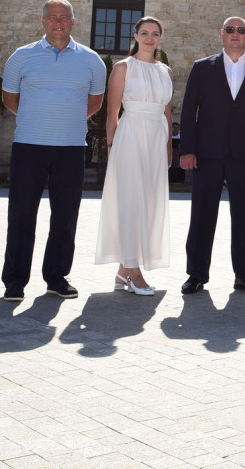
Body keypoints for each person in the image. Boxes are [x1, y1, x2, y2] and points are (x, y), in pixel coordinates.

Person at [1, 0, 107, 301]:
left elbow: (95, 102)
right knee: (21, 216)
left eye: (64, 17)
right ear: (43, 21)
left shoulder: (91, 61)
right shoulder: (21, 57)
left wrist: (65, 119)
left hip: (71, 148)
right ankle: (15, 280)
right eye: (52, 16)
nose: (57, 21)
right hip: (28, 147)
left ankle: (56, 277)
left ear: (73, 22)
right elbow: (10, 98)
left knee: (65, 216)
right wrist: (37, 118)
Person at [178, 16, 245, 295]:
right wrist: (187, 149)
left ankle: (244, 275)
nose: (236, 34)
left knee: (243, 216)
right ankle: (196, 274)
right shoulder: (202, 68)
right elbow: (188, 111)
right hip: (207, 154)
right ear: (222, 33)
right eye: (231, 30)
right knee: (201, 215)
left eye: (241, 30)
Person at [94, 16, 174, 296]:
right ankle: (134, 271)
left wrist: (168, 146)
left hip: (156, 137)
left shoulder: (166, 70)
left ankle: (121, 272)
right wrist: (113, 146)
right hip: (130, 138)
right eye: (144, 33)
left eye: (155, 33)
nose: (150, 38)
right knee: (131, 202)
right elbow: (112, 112)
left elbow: (166, 110)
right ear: (136, 36)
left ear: (160, 37)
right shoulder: (122, 68)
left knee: (149, 203)